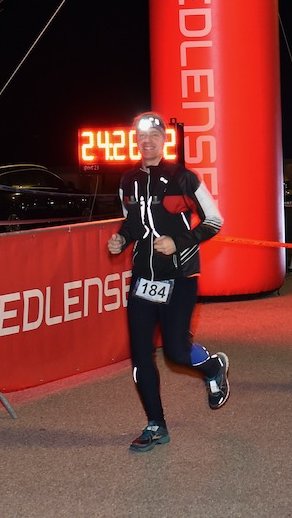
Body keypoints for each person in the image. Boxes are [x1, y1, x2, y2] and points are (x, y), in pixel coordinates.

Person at [106, 112, 230, 453]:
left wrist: (180, 241)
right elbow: (132, 223)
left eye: (154, 136)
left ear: (164, 140)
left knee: (176, 352)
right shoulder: (127, 180)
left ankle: (212, 366)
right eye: (142, 137)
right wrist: (120, 238)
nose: (148, 142)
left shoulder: (183, 177)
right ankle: (155, 425)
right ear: (136, 141)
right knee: (140, 357)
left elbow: (215, 221)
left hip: (179, 276)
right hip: (143, 279)